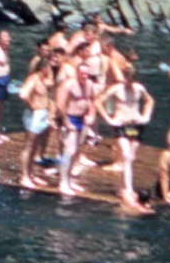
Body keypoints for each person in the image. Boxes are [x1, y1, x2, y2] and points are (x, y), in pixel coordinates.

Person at [94, 66, 156, 212]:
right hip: (121, 123)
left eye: (131, 79)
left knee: (131, 157)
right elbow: (98, 102)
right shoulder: (117, 89)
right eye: (127, 78)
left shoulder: (139, 88)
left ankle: (123, 185)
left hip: (135, 124)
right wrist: (109, 119)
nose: (129, 82)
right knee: (126, 154)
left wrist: (146, 115)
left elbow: (150, 101)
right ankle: (128, 188)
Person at [54, 51, 96, 199]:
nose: (84, 77)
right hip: (70, 119)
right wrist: (66, 122)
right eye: (82, 74)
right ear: (77, 72)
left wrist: (91, 115)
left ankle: (70, 179)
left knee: (77, 152)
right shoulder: (68, 84)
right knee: (69, 151)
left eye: (87, 74)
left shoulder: (90, 84)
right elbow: (60, 104)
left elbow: (93, 101)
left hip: (82, 120)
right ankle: (63, 182)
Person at [17, 54, 56, 190]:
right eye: (49, 68)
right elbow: (23, 94)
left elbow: (51, 89)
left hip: (43, 114)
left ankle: (31, 173)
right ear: (44, 68)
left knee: (35, 147)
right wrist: (31, 105)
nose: (51, 70)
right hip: (35, 115)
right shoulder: (33, 79)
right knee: (29, 146)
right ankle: (24, 176)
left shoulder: (44, 79)